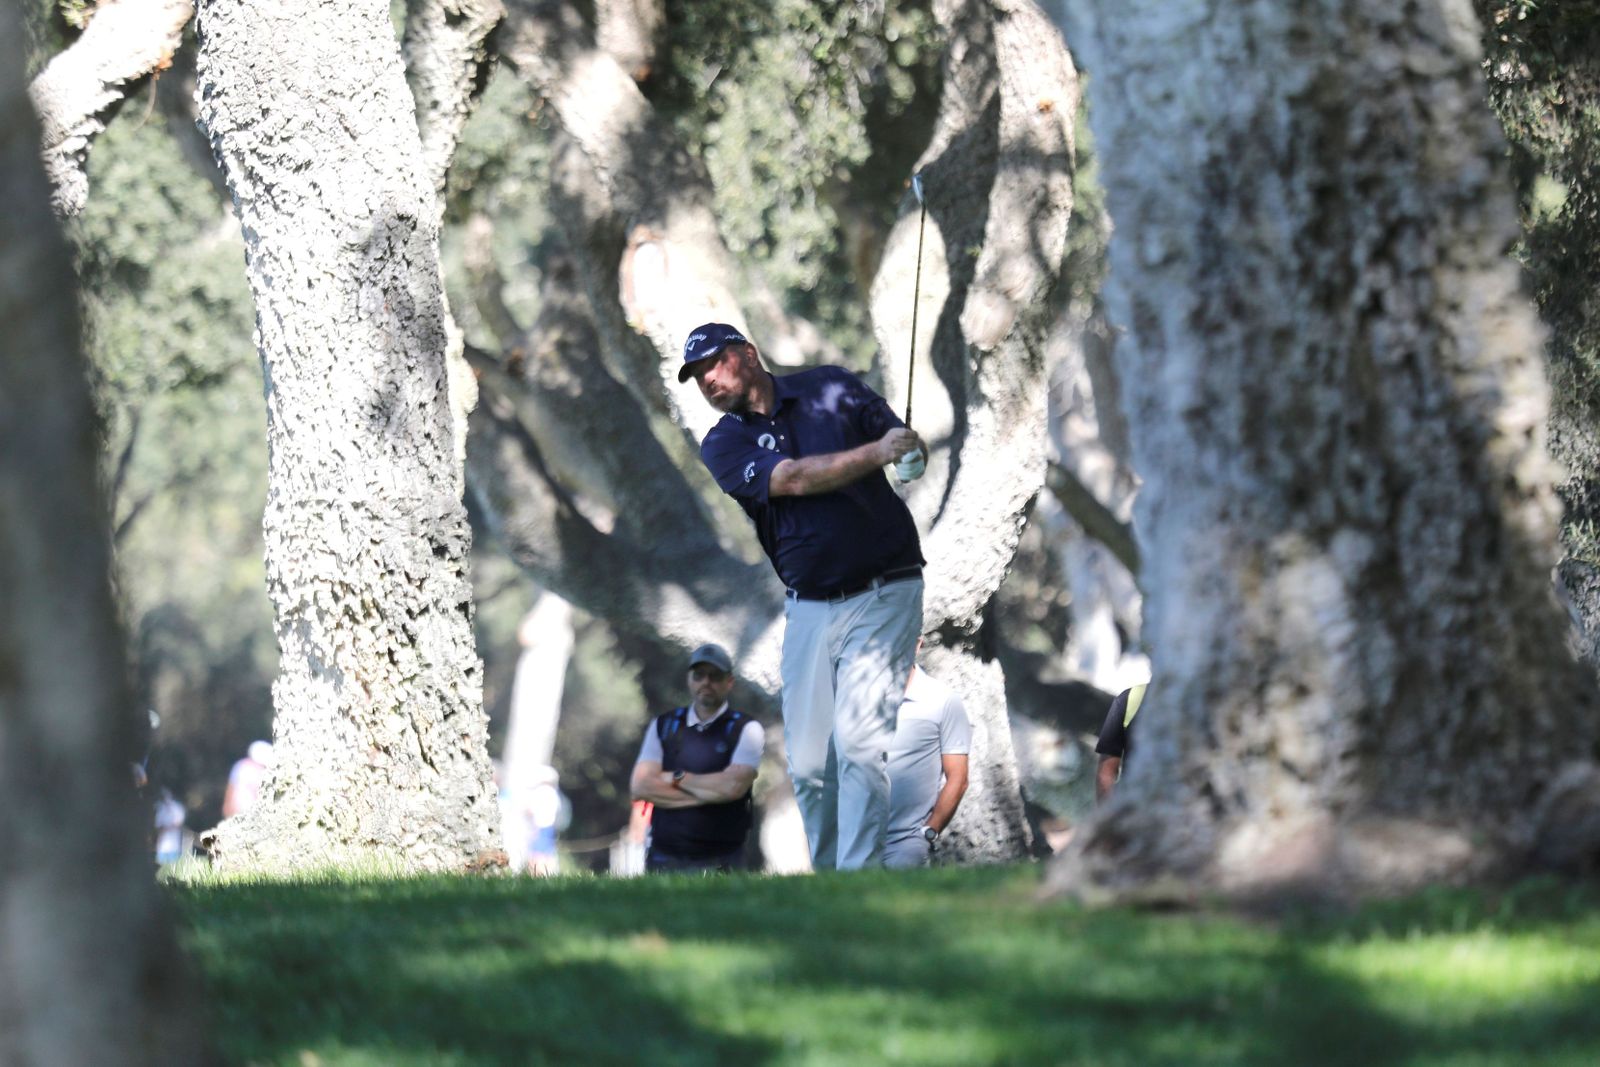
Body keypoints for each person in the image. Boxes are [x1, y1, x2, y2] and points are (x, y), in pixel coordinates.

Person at [680, 323, 927, 871]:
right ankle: (832, 877)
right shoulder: (723, 443)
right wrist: (879, 453)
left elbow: (899, 440)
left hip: (887, 588)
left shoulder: (832, 387)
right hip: (810, 606)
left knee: (862, 746)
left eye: (716, 364)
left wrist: (910, 453)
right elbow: (792, 479)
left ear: (749, 353)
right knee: (812, 764)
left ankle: (859, 883)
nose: (709, 380)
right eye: (699, 376)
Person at [629, 643, 766, 873]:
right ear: (689, 679)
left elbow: (732, 787)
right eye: (699, 675)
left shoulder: (747, 729)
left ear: (729, 682)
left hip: (724, 861)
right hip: (664, 858)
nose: (706, 682)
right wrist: (712, 793)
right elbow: (641, 786)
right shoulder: (663, 725)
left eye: (715, 676)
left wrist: (676, 777)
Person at [883, 661, 971, 869]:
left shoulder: (942, 699)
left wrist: (928, 833)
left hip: (906, 845)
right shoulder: (856, 696)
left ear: (918, 643)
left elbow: (958, 778)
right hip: (854, 841)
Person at [1095, 683, 1147, 802]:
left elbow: (1106, 770)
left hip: (1142, 800)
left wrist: (1106, 814)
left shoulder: (1129, 697)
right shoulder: (1196, 697)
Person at [222, 740, 273, 817]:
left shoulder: (240, 765)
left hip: (248, 812)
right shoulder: (241, 766)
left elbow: (231, 786)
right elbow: (232, 787)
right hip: (242, 810)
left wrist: (227, 804)